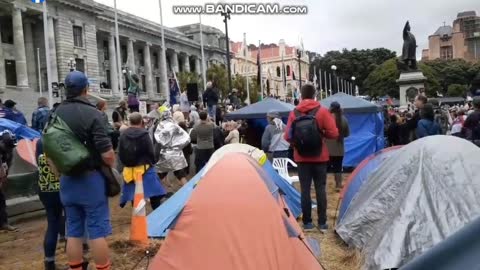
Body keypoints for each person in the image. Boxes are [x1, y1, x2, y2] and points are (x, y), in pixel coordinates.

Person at [55, 71, 115, 270]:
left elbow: (49, 149)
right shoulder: (93, 114)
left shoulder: (53, 113)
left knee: (73, 230)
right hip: (91, 180)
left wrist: (59, 173)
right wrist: (110, 168)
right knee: (96, 231)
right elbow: (107, 154)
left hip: (67, 179)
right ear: (86, 89)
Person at [284, 84, 338, 233]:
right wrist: (322, 135)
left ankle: (307, 223)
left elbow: (287, 136)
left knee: (305, 190)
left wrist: (298, 144)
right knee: (320, 189)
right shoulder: (322, 112)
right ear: (315, 95)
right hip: (320, 157)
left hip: (301, 158)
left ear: (300, 95)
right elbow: (334, 133)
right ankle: (322, 223)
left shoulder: (294, 113)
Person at [118, 113, 166, 210]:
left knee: (134, 196)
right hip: (146, 168)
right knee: (155, 195)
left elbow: (121, 152)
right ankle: (158, 215)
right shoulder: (144, 134)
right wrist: (152, 162)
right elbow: (150, 151)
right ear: (141, 122)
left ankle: (138, 218)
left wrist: (124, 165)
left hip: (130, 170)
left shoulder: (123, 135)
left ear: (129, 122)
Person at [36, 139, 66, 270]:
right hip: (59, 189)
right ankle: (74, 251)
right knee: (68, 219)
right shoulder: (54, 152)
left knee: (52, 222)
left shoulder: (40, 149)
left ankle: (49, 262)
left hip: (44, 189)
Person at [154, 110, 190, 186]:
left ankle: (156, 193)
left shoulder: (158, 126)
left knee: (160, 174)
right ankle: (188, 191)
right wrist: (178, 146)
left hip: (164, 153)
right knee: (180, 174)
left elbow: (156, 140)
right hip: (175, 154)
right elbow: (187, 138)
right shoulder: (175, 125)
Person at [325, 102, 350, 192]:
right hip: (339, 148)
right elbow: (347, 134)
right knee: (338, 168)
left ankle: (323, 186)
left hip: (327, 148)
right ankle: (338, 184)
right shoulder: (344, 120)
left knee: (324, 168)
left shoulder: (327, 119)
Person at [0, 130, 17, 232]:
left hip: (1, 177)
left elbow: (8, 163)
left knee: (1, 200)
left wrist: (4, 177)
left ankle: (3, 223)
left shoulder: (9, 151)